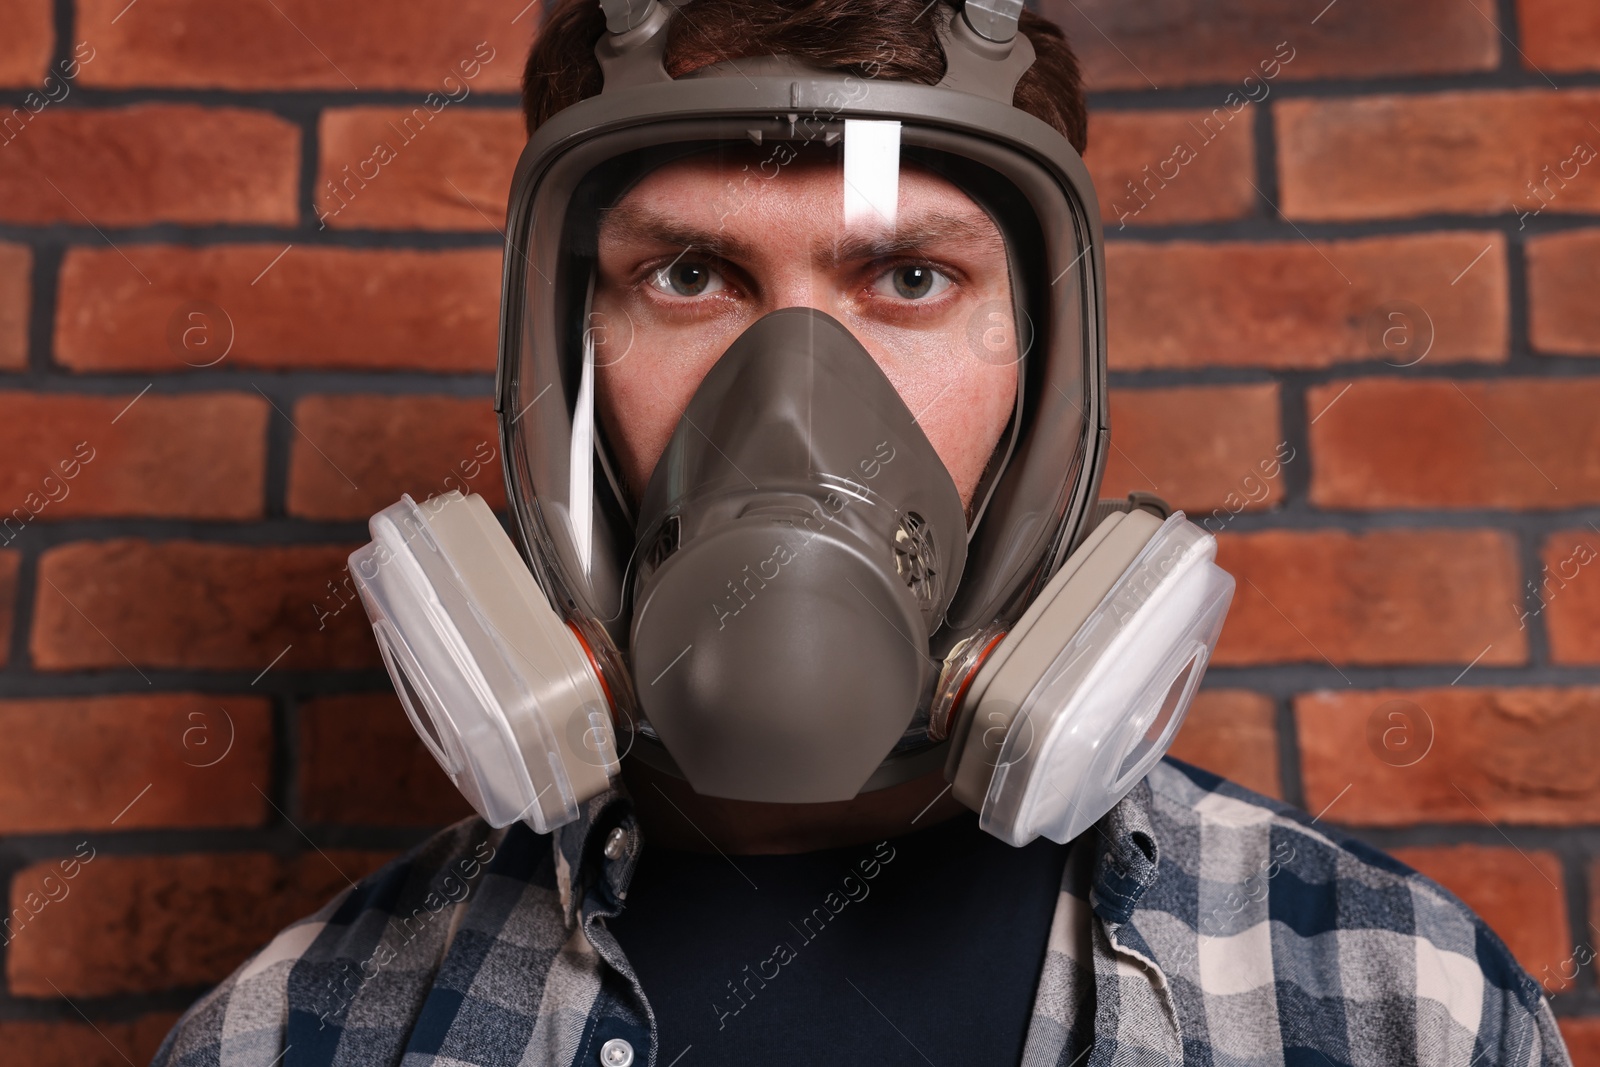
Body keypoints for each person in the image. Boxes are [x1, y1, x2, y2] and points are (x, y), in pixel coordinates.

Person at [152, 2, 1572, 1065]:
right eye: (689, 273)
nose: (791, 404)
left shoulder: (1405, 1009)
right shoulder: (293, 1037)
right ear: (566, 359)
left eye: (908, 274)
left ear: (1045, 368)